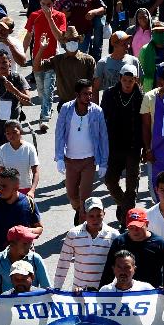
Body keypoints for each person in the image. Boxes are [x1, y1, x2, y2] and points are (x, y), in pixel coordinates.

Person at [54, 79, 109, 222]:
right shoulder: (66, 109)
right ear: (77, 94)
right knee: (72, 195)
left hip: (88, 161)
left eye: (90, 94)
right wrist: (59, 157)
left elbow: (103, 137)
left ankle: (81, 229)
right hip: (70, 161)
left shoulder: (97, 111)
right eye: (85, 94)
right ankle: (79, 211)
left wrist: (103, 163)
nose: (89, 97)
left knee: (85, 199)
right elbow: (59, 133)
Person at [101, 67, 145, 224]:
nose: (127, 84)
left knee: (132, 187)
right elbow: (102, 120)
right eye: (125, 80)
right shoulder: (109, 94)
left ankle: (128, 222)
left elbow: (146, 124)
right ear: (120, 78)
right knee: (110, 181)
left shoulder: (141, 96)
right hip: (114, 147)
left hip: (133, 147)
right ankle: (124, 205)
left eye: (131, 80)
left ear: (136, 80)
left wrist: (146, 147)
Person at [100, 208, 164, 289]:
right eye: (131, 227)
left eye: (139, 227)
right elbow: (109, 271)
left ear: (147, 224)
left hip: (151, 293)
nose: (135, 231)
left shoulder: (160, 244)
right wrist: (101, 294)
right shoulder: (119, 242)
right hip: (124, 292)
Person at [53, 197, 118, 291]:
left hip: (105, 291)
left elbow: (120, 264)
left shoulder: (114, 235)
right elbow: (64, 262)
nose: (95, 219)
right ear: (84, 215)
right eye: (91, 216)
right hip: (79, 291)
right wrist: (57, 287)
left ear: (104, 213)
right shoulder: (73, 234)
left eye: (98, 215)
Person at [0, 226, 50, 294]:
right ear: (12, 244)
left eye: (30, 242)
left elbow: (47, 288)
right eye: (25, 243)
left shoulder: (36, 259)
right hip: (8, 303)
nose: (29, 246)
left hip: (31, 303)